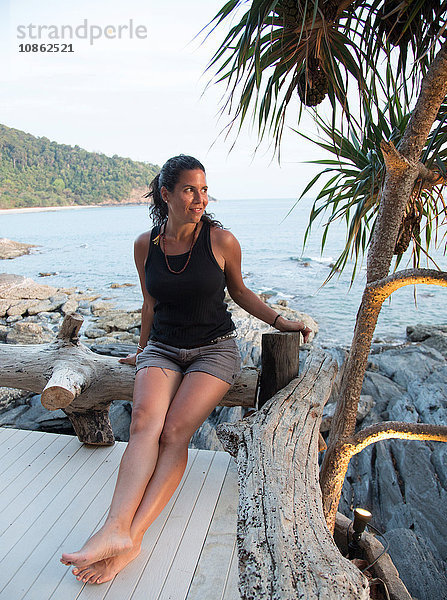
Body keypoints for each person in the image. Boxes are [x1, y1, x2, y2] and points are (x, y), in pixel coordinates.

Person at [60, 155, 312, 584]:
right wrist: (141, 350)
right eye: (190, 190)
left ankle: (131, 537)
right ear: (167, 194)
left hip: (214, 352)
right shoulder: (146, 245)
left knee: (175, 432)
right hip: (162, 349)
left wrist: (280, 322)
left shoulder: (221, 241)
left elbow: (241, 291)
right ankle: (114, 527)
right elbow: (150, 303)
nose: (200, 198)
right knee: (143, 424)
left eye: (204, 189)